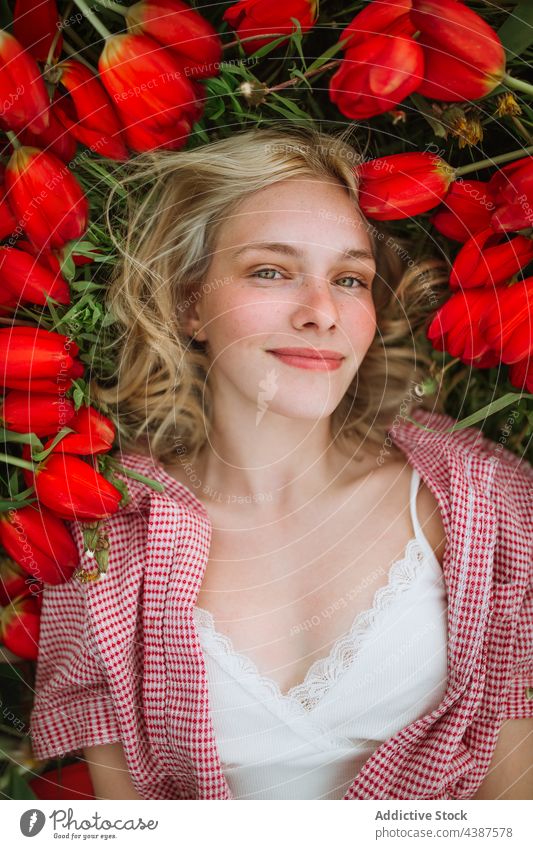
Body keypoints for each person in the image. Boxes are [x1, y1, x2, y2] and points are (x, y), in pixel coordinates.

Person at [29, 124, 533, 800]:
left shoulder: (486, 503)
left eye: (349, 279)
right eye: (270, 270)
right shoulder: (100, 539)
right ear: (189, 302)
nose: (321, 312)